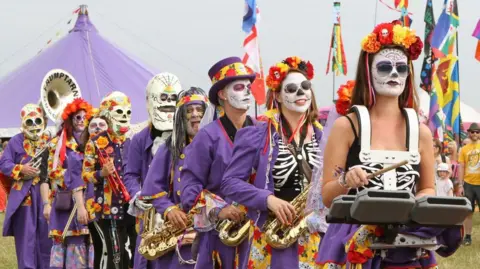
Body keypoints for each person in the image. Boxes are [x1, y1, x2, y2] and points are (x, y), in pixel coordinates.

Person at [317, 21, 462, 268]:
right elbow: (328, 196)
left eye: (401, 68)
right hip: (355, 247)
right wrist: (345, 180)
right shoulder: (347, 126)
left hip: (408, 246)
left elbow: (426, 188)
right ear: (368, 71)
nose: (394, 74)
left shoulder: (422, 132)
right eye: (384, 67)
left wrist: (418, 204)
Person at [221, 56, 323, 268]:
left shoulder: (324, 137)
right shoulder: (257, 134)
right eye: (292, 88)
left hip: (313, 236)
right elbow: (229, 182)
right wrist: (267, 199)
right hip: (270, 235)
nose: (301, 93)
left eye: (305, 87)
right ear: (277, 95)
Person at [179, 56, 256, 268]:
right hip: (221, 234)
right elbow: (188, 188)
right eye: (239, 87)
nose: (248, 92)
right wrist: (218, 209)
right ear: (222, 94)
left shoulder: (263, 130)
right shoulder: (207, 137)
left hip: (258, 231)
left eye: (249, 87)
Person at [141, 86, 209, 268]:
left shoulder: (220, 145)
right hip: (180, 226)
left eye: (199, 109)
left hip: (214, 223)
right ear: (181, 116)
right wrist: (169, 209)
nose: (195, 114)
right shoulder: (169, 148)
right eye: (189, 110)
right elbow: (152, 187)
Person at [124, 72, 182, 269]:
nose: (168, 103)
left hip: (178, 213)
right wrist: (137, 194)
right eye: (163, 98)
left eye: (173, 98)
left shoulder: (186, 138)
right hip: (149, 216)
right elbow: (130, 174)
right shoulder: (139, 139)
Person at [40, 98, 95, 268]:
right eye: (78, 117)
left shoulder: (95, 142)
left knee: (91, 240)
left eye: (85, 117)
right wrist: (46, 204)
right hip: (65, 202)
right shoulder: (56, 145)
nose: (82, 121)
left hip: (92, 198)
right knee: (68, 241)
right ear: (70, 120)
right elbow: (46, 176)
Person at [82, 91, 133, 269]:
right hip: (108, 207)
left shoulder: (133, 141)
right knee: (114, 252)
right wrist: (101, 174)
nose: (125, 117)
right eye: (119, 112)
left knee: (132, 251)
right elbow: (86, 173)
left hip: (132, 205)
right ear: (107, 114)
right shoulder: (95, 142)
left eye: (128, 112)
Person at [0, 103, 52, 269]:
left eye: (37, 120)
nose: (34, 125)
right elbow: (4, 163)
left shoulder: (49, 141)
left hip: (46, 193)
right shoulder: (16, 140)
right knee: (26, 237)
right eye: (30, 121)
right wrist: (21, 168)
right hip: (25, 196)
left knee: (46, 235)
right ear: (23, 122)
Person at [457, 122, 480, 246]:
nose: (475, 134)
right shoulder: (464, 149)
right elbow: (461, 167)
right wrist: (460, 185)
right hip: (468, 183)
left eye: (477, 132)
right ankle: (468, 237)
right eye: (473, 132)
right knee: (469, 212)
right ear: (469, 133)